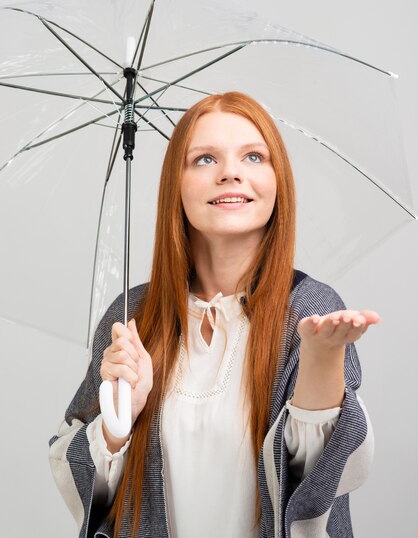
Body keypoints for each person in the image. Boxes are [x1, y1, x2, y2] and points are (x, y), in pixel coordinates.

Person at [49, 91, 379, 538]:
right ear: (176, 185)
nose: (231, 173)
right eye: (205, 159)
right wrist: (116, 427)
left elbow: (317, 490)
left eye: (254, 157)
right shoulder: (133, 317)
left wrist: (322, 362)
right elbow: (87, 487)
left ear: (278, 179)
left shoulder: (311, 309)